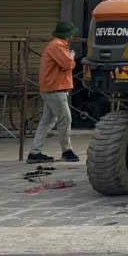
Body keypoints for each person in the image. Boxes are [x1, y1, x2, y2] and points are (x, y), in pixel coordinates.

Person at [27, 22, 78, 164]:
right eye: (71, 34)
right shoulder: (57, 46)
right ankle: (67, 151)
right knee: (65, 119)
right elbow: (68, 64)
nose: (73, 36)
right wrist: (72, 57)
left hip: (51, 88)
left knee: (47, 121)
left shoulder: (56, 45)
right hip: (55, 89)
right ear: (67, 34)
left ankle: (34, 152)